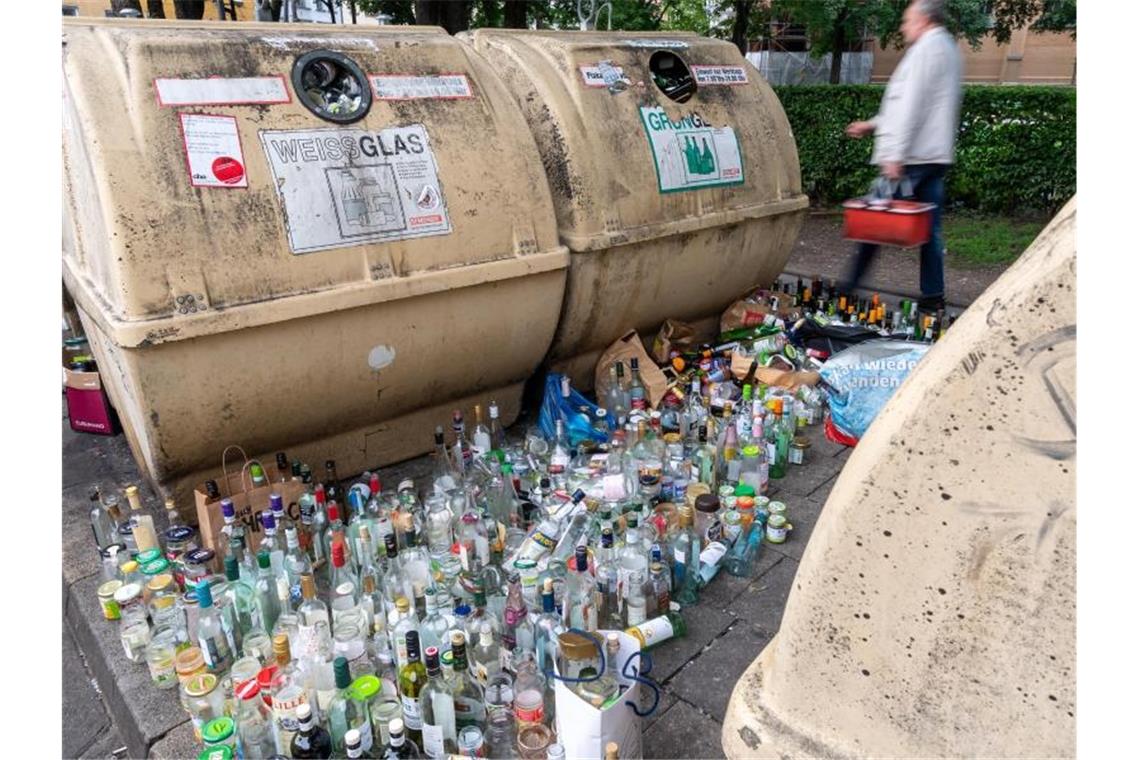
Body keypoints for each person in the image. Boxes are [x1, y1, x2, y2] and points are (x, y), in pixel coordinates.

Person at [843, 0, 963, 314]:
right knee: (928, 230)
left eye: (906, 21)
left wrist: (895, 154)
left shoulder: (925, 50)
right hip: (933, 156)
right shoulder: (947, 48)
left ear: (923, 20)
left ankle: (847, 288)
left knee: (871, 221)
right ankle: (933, 297)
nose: (902, 27)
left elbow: (911, 105)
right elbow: (917, 105)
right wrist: (872, 124)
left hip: (910, 158)